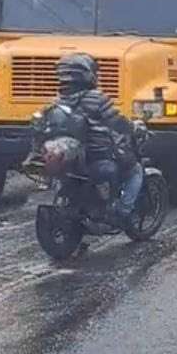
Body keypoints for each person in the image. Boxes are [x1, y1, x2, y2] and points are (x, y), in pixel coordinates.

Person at [53, 53, 143, 225]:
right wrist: (135, 128)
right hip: (98, 156)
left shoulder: (58, 101)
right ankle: (122, 212)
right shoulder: (96, 98)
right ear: (87, 74)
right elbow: (117, 122)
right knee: (135, 170)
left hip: (71, 161)